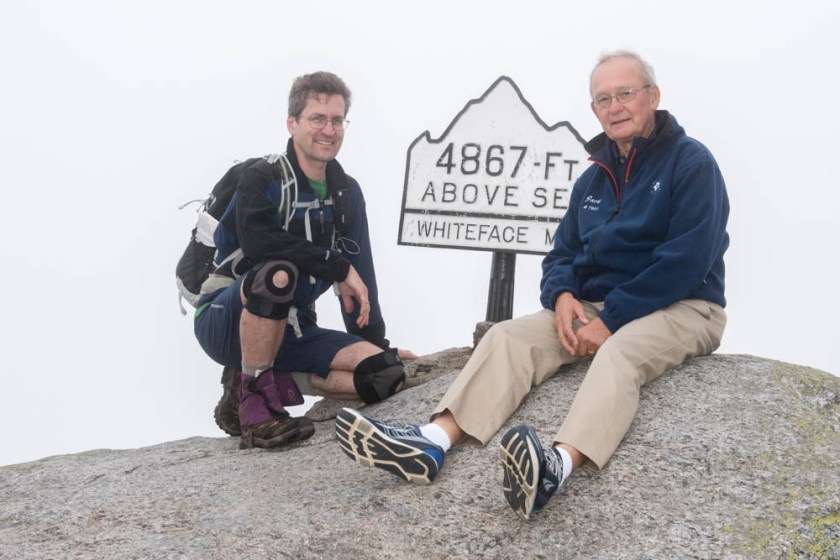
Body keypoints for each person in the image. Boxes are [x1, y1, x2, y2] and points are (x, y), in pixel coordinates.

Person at [335, 51, 729, 519]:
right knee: (506, 336)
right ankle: (432, 442)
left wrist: (613, 318)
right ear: (594, 110)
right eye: (603, 98)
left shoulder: (691, 162)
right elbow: (561, 254)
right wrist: (562, 297)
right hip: (595, 305)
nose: (615, 106)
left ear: (653, 97)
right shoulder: (593, 178)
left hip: (685, 304)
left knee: (620, 352)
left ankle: (554, 469)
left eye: (626, 93)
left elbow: (686, 259)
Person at [194, 71, 414, 450]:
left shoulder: (346, 193)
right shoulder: (260, 177)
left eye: (337, 120)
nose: (329, 130)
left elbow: (362, 278)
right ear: (292, 122)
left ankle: (269, 380)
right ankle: (255, 410)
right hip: (226, 318)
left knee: (384, 375)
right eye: (317, 119)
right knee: (279, 274)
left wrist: (377, 343)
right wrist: (336, 267)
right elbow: (261, 241)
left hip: (294, 330)